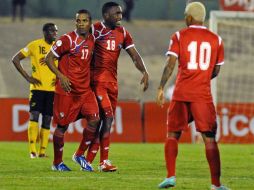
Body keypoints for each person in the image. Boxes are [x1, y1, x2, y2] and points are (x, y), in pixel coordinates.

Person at [156, 2, 229, 190]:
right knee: (209, 137)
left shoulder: (179, 36)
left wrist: (161, 87)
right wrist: (202, 77)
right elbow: (216, 71)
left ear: (188, 18)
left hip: (181, 93)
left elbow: (170, 64)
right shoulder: (216, 40)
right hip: (202, 95)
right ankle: (216, 184)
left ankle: (170, 176)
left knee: (172, 134)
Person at [86, 1, 149, 172]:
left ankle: (88, 160)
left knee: (104, 122)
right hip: (97, 82)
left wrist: (144, 71)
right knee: (107, 118)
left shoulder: (123, 33)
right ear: (106, 15)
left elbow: (134, 56)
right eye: (116, 14)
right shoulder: (94, 30)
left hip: (113, 84)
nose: (120, 16)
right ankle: (103, 162)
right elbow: (80, 50)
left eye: (121, 13)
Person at [45, 9, 100, 172]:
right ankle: (57, 163)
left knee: (95, 120)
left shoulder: (92, 39)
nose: (81, 24)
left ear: (90, 23)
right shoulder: (67, 39)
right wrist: (61, 76)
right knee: (62, 127)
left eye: (84, 21)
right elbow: (49, 59)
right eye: (78, 21)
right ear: (75, 22)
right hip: (67, 91)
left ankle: (79, 155)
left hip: (85, 91)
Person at [12, 23, 58, 158]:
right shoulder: (35, 45)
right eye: (51, 31)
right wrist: (27, 77)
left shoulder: (58, 47)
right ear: (44, 32)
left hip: (52, 90)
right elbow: (15, 59)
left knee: (47, 119)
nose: (55, 33)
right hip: (37, 89)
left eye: (56, 31)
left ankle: (42, 152)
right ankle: (33, 150)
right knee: (34, 116)